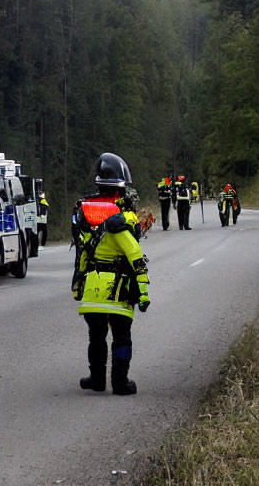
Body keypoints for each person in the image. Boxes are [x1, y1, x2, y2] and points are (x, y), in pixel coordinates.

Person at [71, 153, 150, 396]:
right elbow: (136, 258)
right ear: (121, 191)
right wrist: (144, 293)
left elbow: (82, 257)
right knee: (121, 337)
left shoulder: (87, 218)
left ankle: (97, 379)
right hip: (119, 291)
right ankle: (120, 382)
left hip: (93, 288)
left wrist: (77, 287)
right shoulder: (122, 221)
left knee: (96, 336)